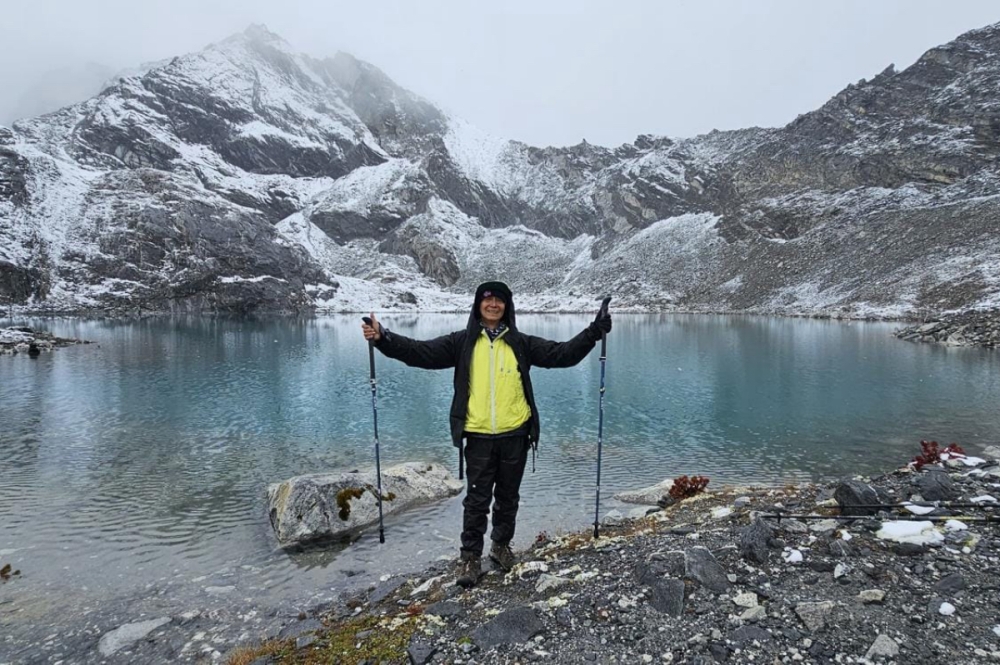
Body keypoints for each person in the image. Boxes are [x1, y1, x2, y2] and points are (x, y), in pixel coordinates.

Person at [361, 281, 612, 588]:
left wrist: (593, 331)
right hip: (478, 435)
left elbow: (563, 355)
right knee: (477, 500)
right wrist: (384, 338)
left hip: (515, 434)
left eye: (499, 301)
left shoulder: (520, 343)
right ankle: (469, 558)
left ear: (507, 306)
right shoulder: (461, 342)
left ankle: (501, 547)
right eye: (487, 300)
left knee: (508, 498)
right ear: (478, 304)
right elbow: (419, 353)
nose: (493, 305)